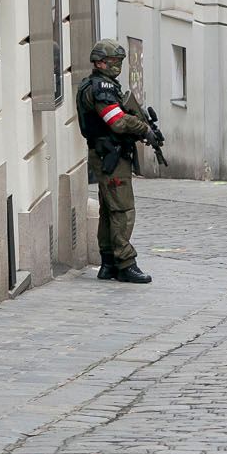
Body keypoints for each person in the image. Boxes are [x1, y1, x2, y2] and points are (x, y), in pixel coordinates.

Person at [76, 39, 154, 283]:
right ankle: (125, 263)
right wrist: (143, 128)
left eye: (119, 61)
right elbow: (117, 121)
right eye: (112, 61)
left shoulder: (99, 85)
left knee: (109, 209)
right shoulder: (102, 88)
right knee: (122, 209)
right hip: (109, 155)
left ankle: (108, 263)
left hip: (107, 153)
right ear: (99, 62)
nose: (116, 66)